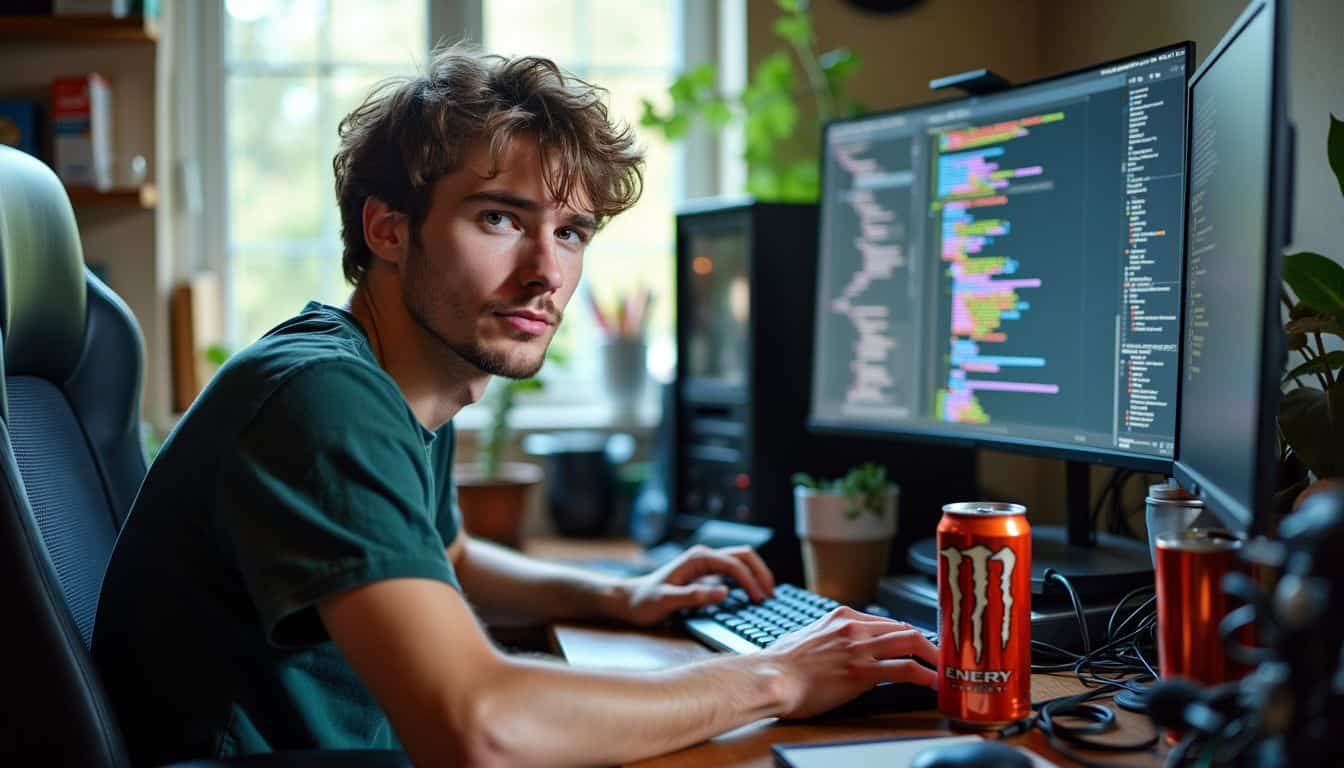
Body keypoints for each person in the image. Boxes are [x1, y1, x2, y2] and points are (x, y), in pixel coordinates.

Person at [92, 44, 937, 767]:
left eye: (571, 232)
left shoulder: (406, 381)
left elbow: (445, 559)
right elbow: (477, 725)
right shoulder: (322, 398)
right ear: (388, 230)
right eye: (501, 218)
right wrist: (776, 676)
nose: (546, 271)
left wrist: (622, 597)